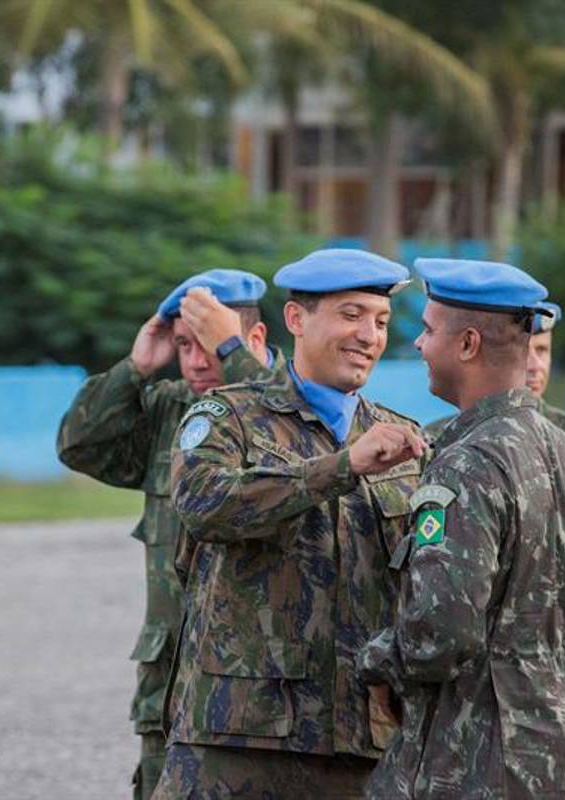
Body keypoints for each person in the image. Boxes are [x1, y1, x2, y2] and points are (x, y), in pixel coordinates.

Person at [155, 249, 427, 799]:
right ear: (297, 320)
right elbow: (204, 503)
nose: (369, 336)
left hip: (361, 737)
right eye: (351, 315)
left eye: (379, 321)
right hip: (239, 733)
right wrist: (340, 467)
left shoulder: (404, 440)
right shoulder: (227, 416)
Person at [359, 257, 565, 799]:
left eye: (426, 330)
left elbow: (442, 631)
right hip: (558, 756)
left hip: (474, 759)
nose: (419, 345)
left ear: (467, 344)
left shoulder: (470, 461)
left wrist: (374, 660)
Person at [56, 269, 283, 799]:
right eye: (185, 346)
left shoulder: (293, 408)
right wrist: (136, 367)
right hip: (171, 693)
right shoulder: (174, 412)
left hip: (261, 698)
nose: (198, 362)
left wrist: (234, 355)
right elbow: (79, 445)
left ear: (253, 341)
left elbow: (294, 440)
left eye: (210, 346)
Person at [424, 299, 565, 800]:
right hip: (470, 699)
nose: (534, 364)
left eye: (545, 351)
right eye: (529, 349)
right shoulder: (440, 443)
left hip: (556, 687)